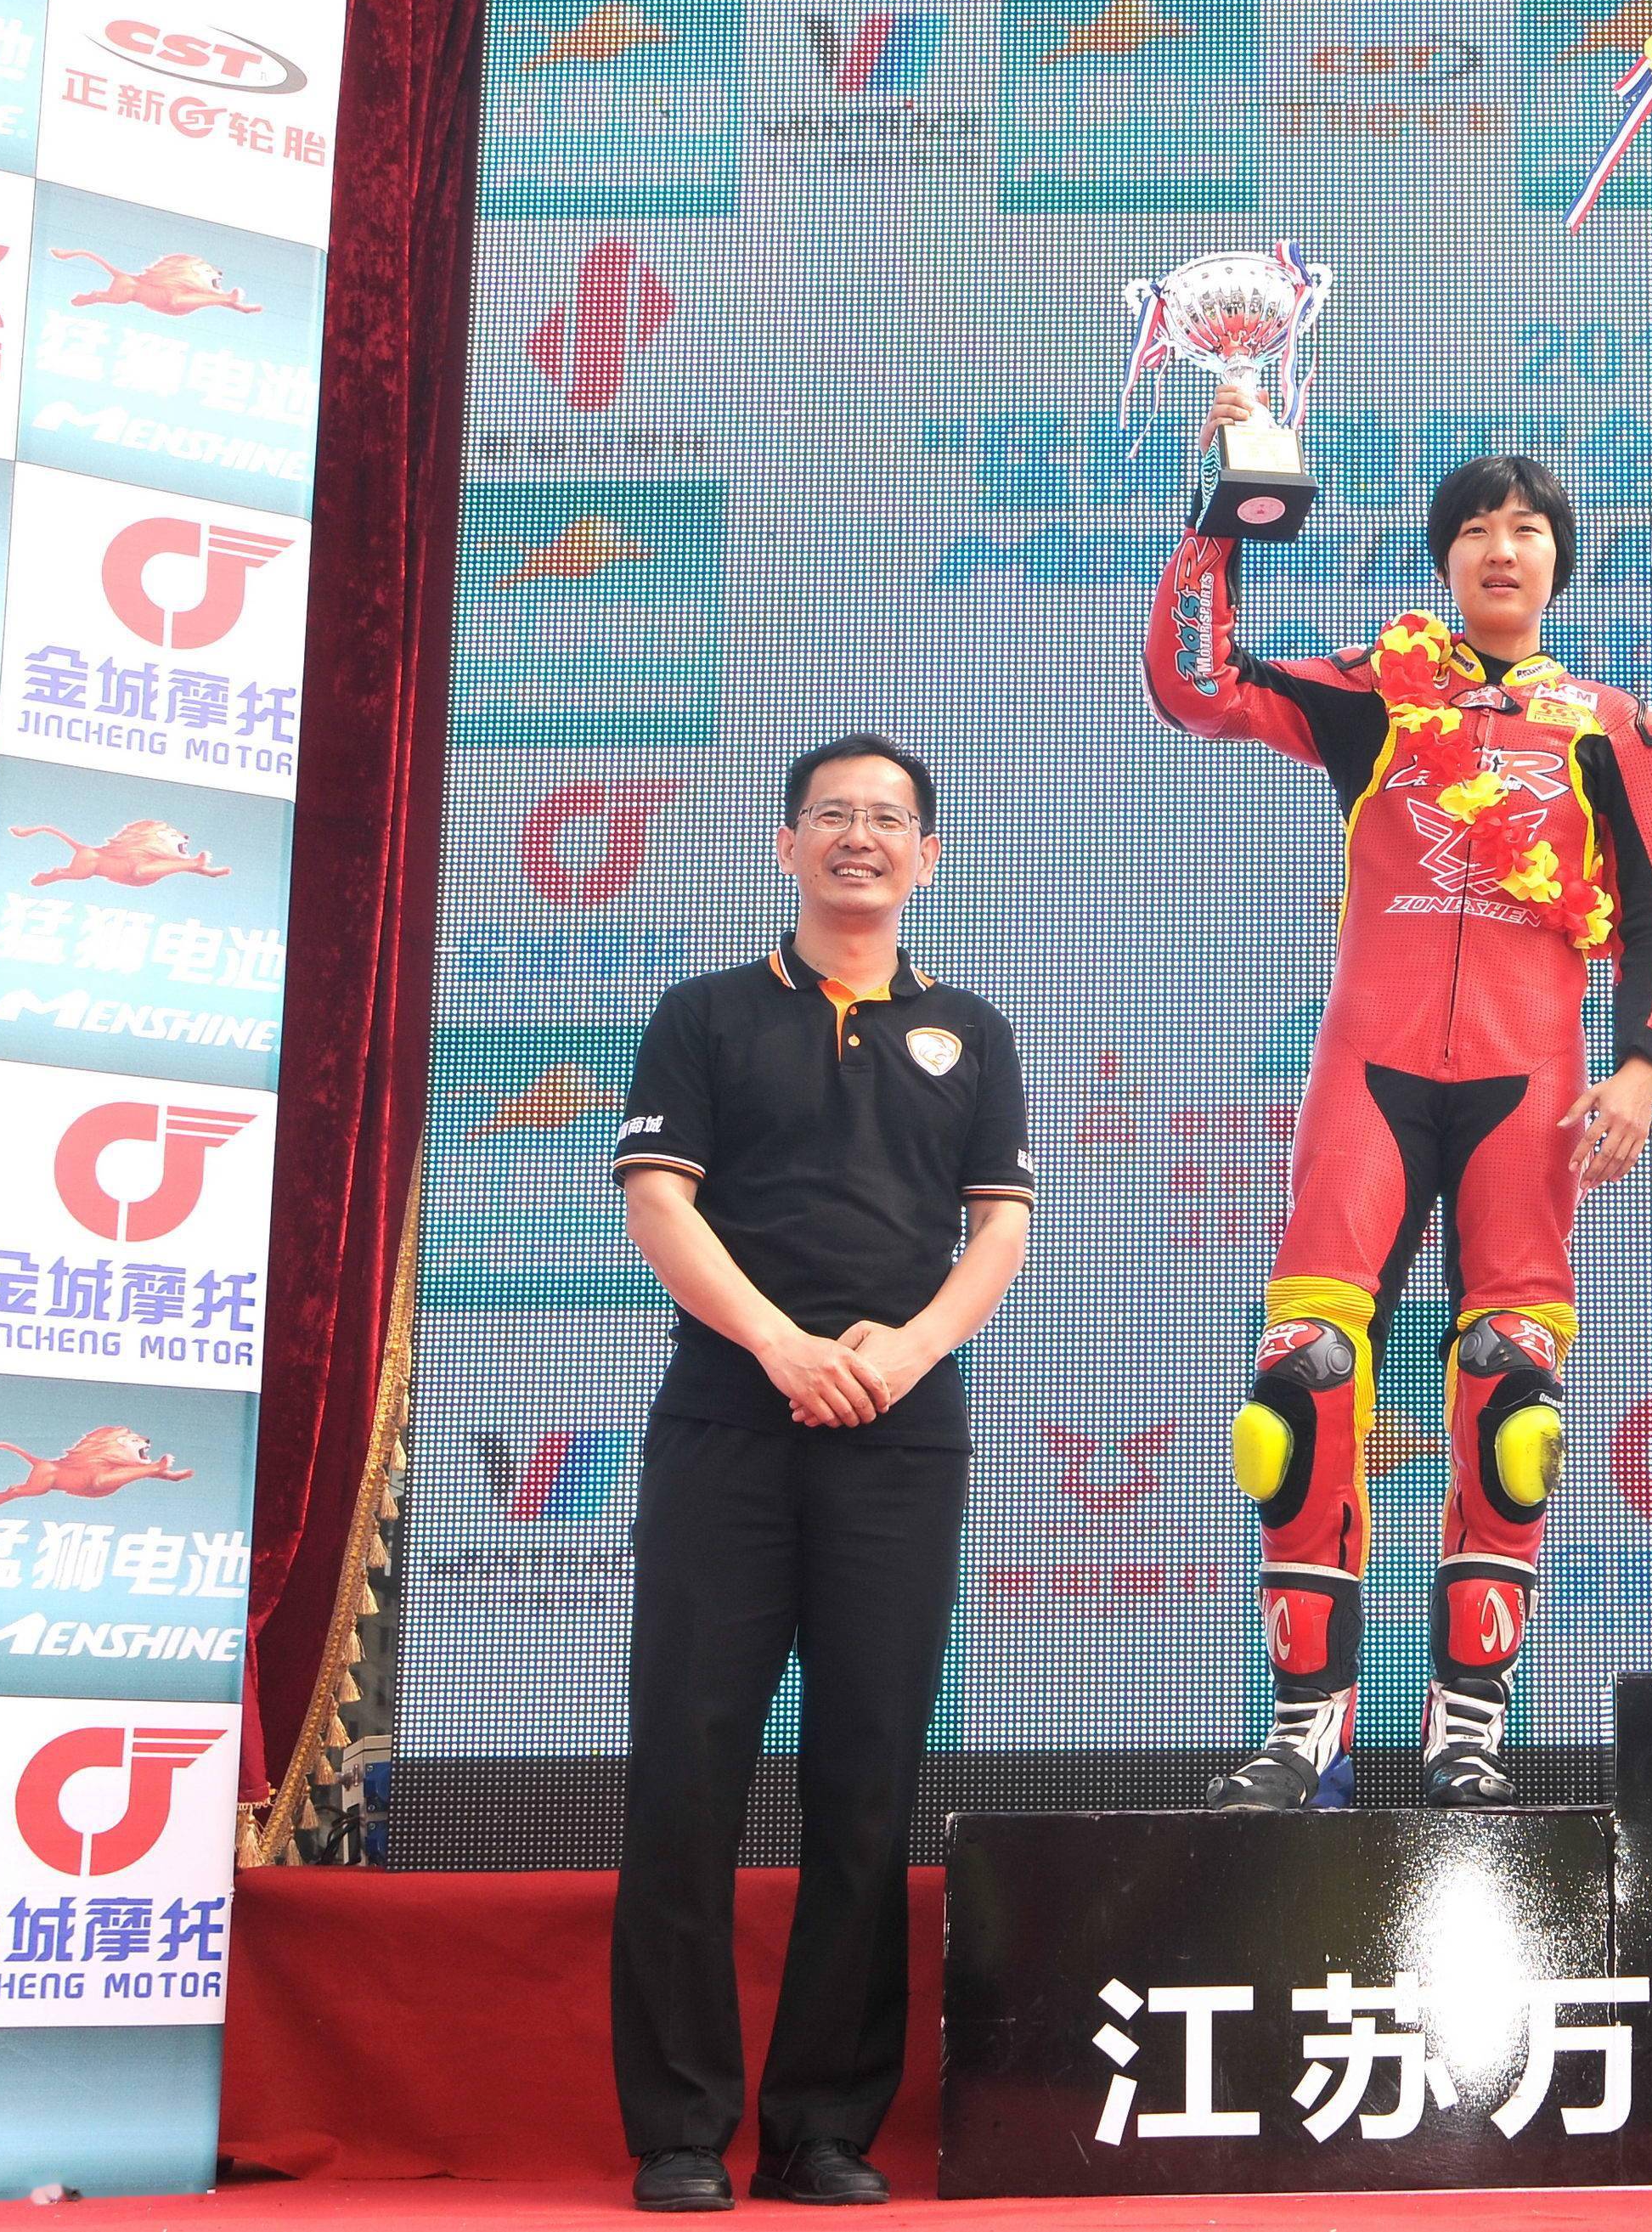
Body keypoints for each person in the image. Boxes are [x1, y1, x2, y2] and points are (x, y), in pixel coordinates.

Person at [1144, 383, 1652, 1811]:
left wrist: (1643, 1061)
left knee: (1514, 1392)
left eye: (1527, 528)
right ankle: (1306, 1733)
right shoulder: (1375, 694)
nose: (1502, 548)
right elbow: (1199, 687)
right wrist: (1221, 519)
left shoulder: (1616, 726)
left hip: (1534, 1085)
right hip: (1370, 1072)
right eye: (1476, 529)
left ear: (1559, 559)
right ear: (1443, 559)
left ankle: (1468, 1733)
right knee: (1300, 1381)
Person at [606, 733, 1033, 2210]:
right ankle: (679, 2129)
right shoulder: (705, 1014)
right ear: (785, 845)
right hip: (727, 1426)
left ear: (929, 857)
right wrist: (782, 1345)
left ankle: (822, 2129)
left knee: (866, 1780)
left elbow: (999, 1226)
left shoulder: (971, 1030)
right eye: (833, 815)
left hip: (900, 1437)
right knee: (687, 1769)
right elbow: (659, 1202)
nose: (861, 837)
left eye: (889, 819)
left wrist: (905, 1352)